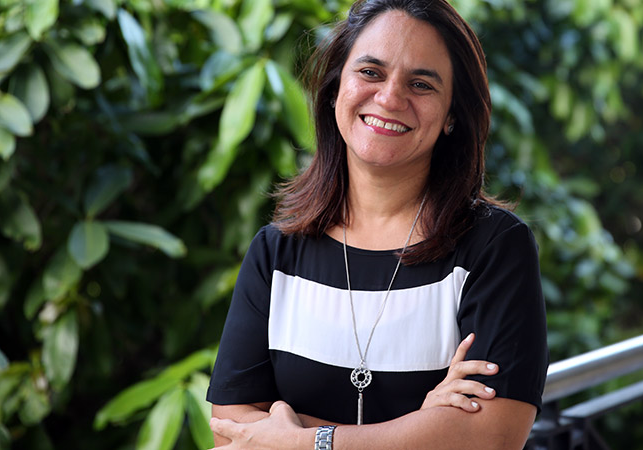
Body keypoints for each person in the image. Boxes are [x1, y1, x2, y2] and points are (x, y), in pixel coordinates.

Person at [205, 0, 548, 448]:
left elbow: (490, 436)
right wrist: (422, 428)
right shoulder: (276, 252)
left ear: (451, 116)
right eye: (370, 72)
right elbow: (233, 427)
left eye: (421, 84)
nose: (389, 98)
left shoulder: (494, 248)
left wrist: (302, 441)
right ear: (334, 89)